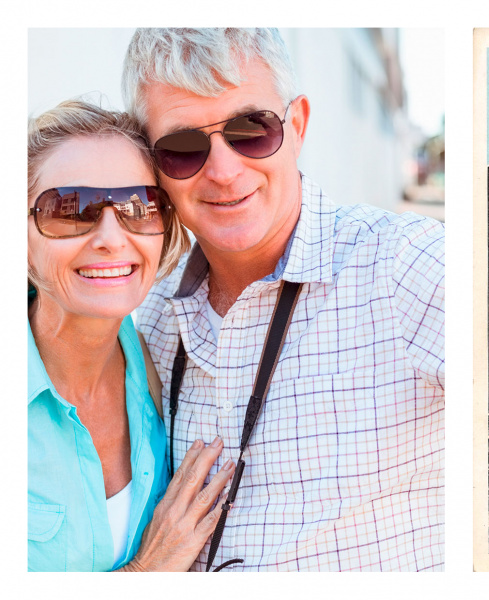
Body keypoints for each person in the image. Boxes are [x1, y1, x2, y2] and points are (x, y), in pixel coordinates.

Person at [124, 28, 445, 571]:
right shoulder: (150, 316)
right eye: (183, 148)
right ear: (155, 170)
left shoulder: (405, 266)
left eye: (251, 130)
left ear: (295, 126)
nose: (224, 172)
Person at [27, 100, 235, 571]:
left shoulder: (158, 366)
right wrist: (146, 572)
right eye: (71, 209)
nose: (111, 237)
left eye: (137, 208)